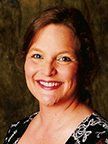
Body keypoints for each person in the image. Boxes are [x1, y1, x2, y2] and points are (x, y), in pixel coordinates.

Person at [4, 6, 108, 144]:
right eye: (37, 56)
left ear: (83, 65)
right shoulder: (17, 130)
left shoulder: (98, 138)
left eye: (63, 59)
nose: (47, 71)